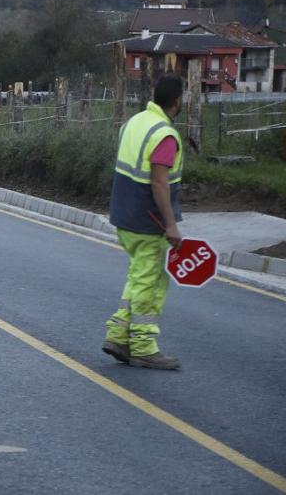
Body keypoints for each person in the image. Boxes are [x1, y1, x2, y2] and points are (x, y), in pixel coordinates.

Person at [103, 74, 186, 370]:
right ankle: (143, 346)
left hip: (124, 216)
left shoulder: (135, 122)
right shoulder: (164, 134)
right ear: (178, 101)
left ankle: (118, 335)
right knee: (150, 283)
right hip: (148, 221)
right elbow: (160, 182)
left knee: (138, 277)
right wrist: (171, 224)